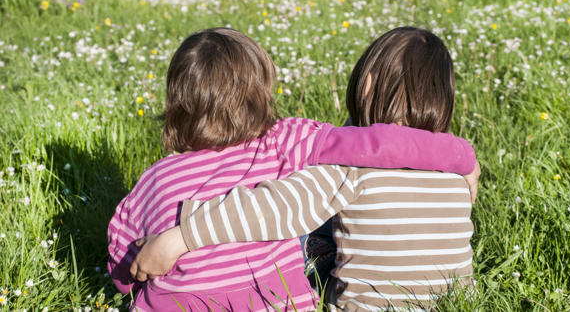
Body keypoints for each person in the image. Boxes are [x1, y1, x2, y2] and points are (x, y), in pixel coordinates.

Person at [113, 27, 479, 311]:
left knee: (300, 224)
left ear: (366, 87)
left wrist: (174, 241)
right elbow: (386, 150)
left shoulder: (346, 169)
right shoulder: (453, 171)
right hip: (451, 301)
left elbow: (269, 210)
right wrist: (465, 156)